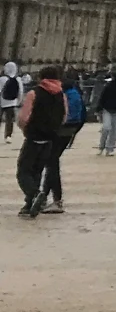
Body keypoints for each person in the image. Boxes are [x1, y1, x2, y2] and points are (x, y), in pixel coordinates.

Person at [16, 66, 68, 219]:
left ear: (41, 77)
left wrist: (26, 129)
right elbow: (64, 116)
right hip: (50, 138)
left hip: (33, 137)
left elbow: (23, 118)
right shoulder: (61, 94)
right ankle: (30, 204)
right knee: (37, 171)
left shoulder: (34, 93)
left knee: (23, 171)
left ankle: (34, 194)